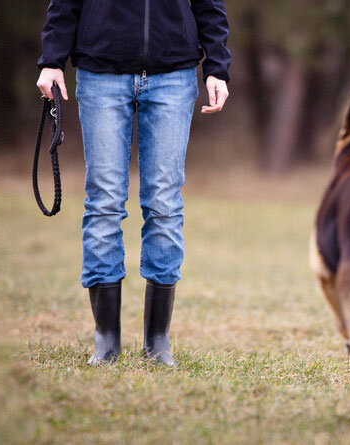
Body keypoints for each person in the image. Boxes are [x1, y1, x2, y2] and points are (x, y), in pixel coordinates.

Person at [35, 0, 231, 367]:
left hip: (174, 74)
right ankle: (106, 340)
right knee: (104, 201)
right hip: (100, 72)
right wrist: (52, 59)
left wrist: (217, 67)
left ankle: (157, 340)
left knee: (164, 203)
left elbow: (209, 4)